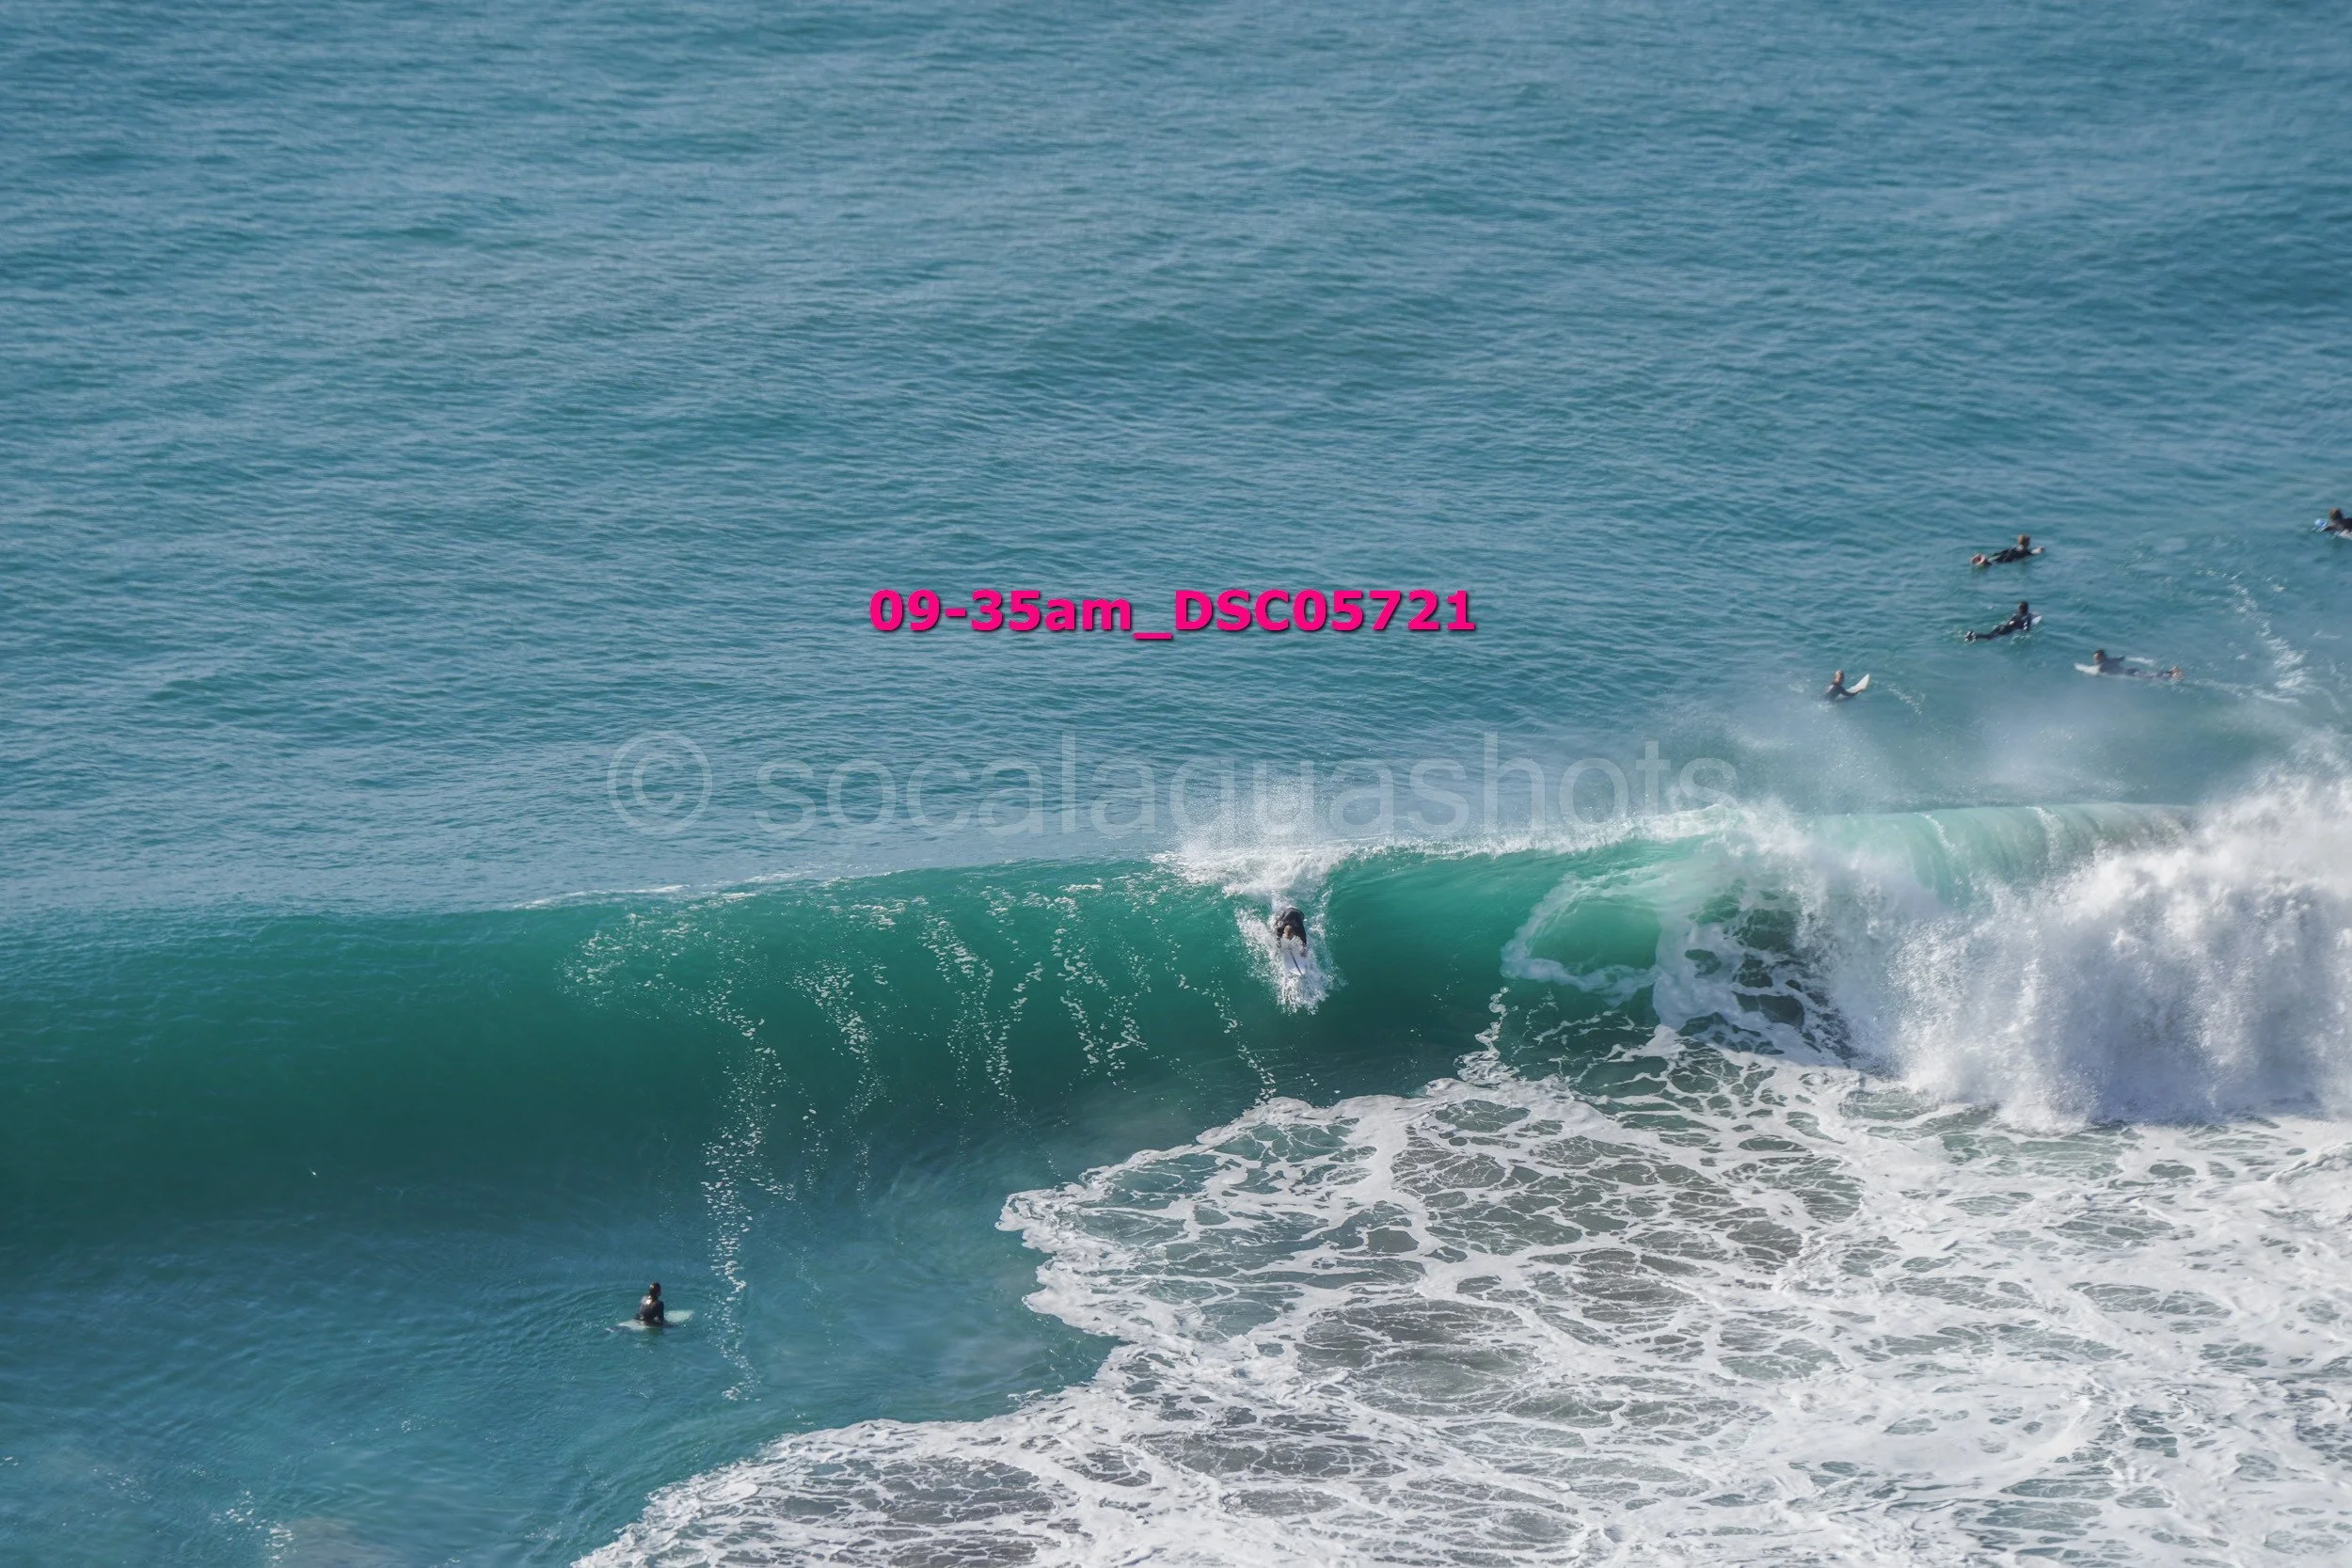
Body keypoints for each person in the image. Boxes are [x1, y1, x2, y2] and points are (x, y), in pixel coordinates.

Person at [1964, 602, 2034, 642]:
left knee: (1989, 635)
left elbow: (2009, 621)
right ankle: (1974, 635)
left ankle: (1974, 635)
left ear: (2019, 609)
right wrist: (2027, 633)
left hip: (2002, 626)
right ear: (2027, 608)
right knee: (1990, 637)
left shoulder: (2015, 614)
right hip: (2007, 629)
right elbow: (2026, 627)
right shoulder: (2027, 616)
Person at [1971, 533, 2042, 567]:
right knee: (1992, 563)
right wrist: (2039, 550)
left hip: (2007, 552)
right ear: (2026, 543)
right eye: (2028, 541)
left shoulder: (2016, 547)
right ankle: (1984, 560)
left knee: (1994, 558)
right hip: (2010, 557)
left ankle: (1981, 557)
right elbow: (2033, 553)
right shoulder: (2026, 552)